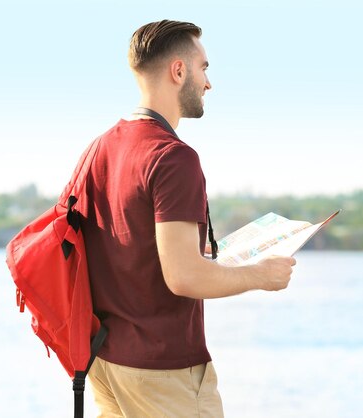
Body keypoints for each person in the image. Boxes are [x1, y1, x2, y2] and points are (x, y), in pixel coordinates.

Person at [80, 20, 296, 417]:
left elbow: (126, 242)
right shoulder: (173, 157)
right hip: (164, 373)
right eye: (204, 68)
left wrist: (202, 249)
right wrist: (263, 276)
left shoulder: (101, 147)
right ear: (178, 71)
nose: (208, 82)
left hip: (107, 363)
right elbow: (184, 277)